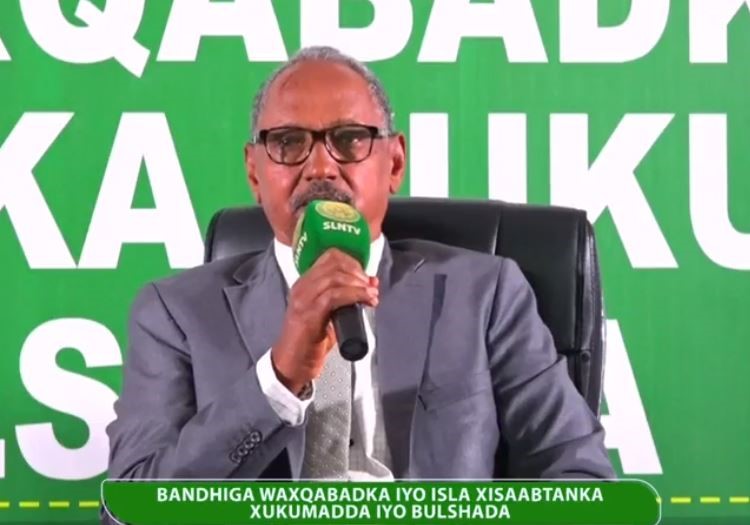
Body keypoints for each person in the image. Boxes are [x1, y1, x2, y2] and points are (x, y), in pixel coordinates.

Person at [106, 46, 614, 485]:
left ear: (394, 163)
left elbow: (582, 480)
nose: (320, 166)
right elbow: (133, 503)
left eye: (349, 139)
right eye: (288, 142)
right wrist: (278, 380)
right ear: (255, 173)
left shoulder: (485, 295)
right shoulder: (175, 313)